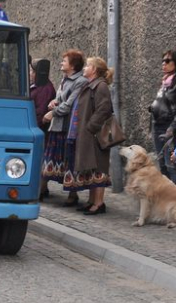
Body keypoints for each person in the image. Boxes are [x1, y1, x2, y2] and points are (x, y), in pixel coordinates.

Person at [41, 49, 88, 206]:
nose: (61, 63)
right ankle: (42, 189)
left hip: (67, 128)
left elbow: (69, 105)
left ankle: (72, 194)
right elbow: (60, 98)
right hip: (57, 127)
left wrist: (52, 113)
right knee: (50, 160)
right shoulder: (65, 79)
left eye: (64, 61)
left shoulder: (80, 81)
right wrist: (53, 102)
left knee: (69, 161)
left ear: (73, 65)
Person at [70, 56, 114, 215]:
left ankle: (99, 203)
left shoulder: (100, 86)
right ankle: (91, 201)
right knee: (91, 167)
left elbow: (104, 109)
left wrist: (90, 127)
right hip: (88, 134)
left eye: (87, 66)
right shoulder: (90, 85)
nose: (84, 68)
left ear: (94, 70)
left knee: (99, 168)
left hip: (96, 135)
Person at [29, 59, 56, 200]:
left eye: (32, 71)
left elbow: (40, 111)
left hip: (39, 128)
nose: (29, 73)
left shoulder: (45, 89)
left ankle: (41, 189)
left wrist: (34, 127)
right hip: (36, 127)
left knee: (40, 159)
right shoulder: (36, 86)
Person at [150, 49, 176, 176]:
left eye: (167, 61)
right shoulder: (166, 81)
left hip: (170, 130)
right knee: (163, 166)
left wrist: (172, 128)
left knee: (172, 166)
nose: (163, 64)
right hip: (158, 127)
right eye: (162, 61)